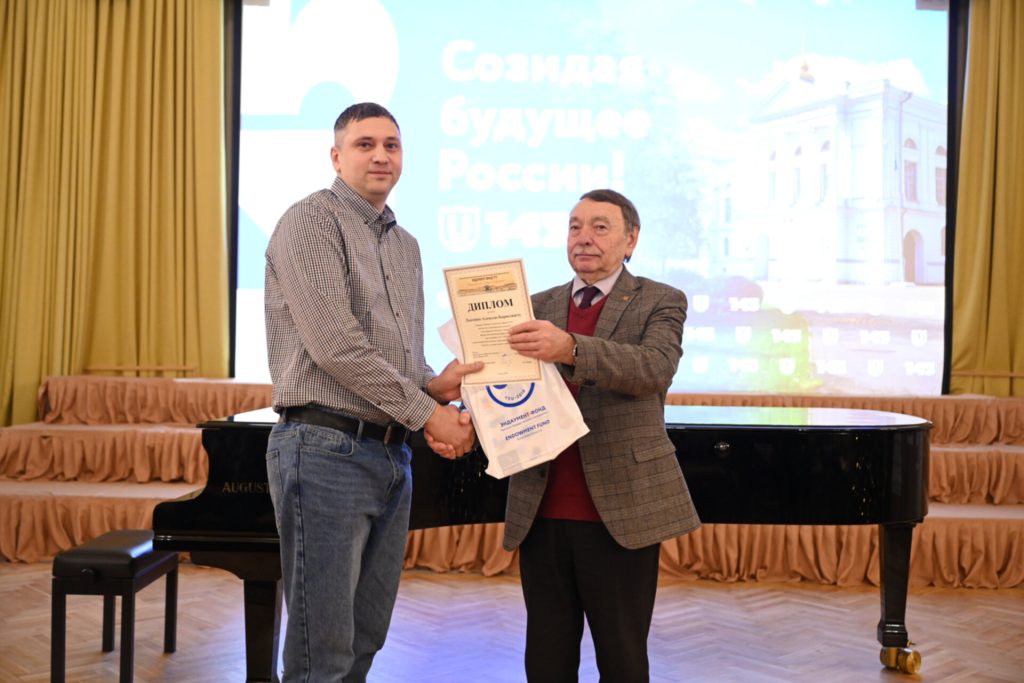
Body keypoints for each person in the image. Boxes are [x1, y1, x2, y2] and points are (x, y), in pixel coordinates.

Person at [264, 102, 481, 682]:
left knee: (365, 638)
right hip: (324, 450)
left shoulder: (406, 245)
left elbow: (398, 358)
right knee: (323, 652)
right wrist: (429, 414)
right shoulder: (310, 221)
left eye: (392, 145)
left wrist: (435, 385)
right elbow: (335, 346)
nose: (381, 155)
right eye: (365, 144)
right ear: (337, 157)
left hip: (390, 455)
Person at [505, 188, 701, 682]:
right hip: (541, 506)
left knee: (622, 659)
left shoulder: (660, 299)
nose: (583, 238)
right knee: (546, 659)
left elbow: (653, 368)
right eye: (575, 226)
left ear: (631, 240)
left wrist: (571, 348)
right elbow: (507, 387)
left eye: (599, 227)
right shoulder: (536, 305)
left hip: (620, 512)